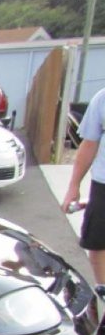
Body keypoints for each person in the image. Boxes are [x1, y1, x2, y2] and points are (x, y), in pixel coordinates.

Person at [62, 87, 105, 298]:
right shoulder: (102, 99)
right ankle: (103, 289)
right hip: (103, 184)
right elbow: (89, 144)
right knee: (97, 241)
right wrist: (74, 186)